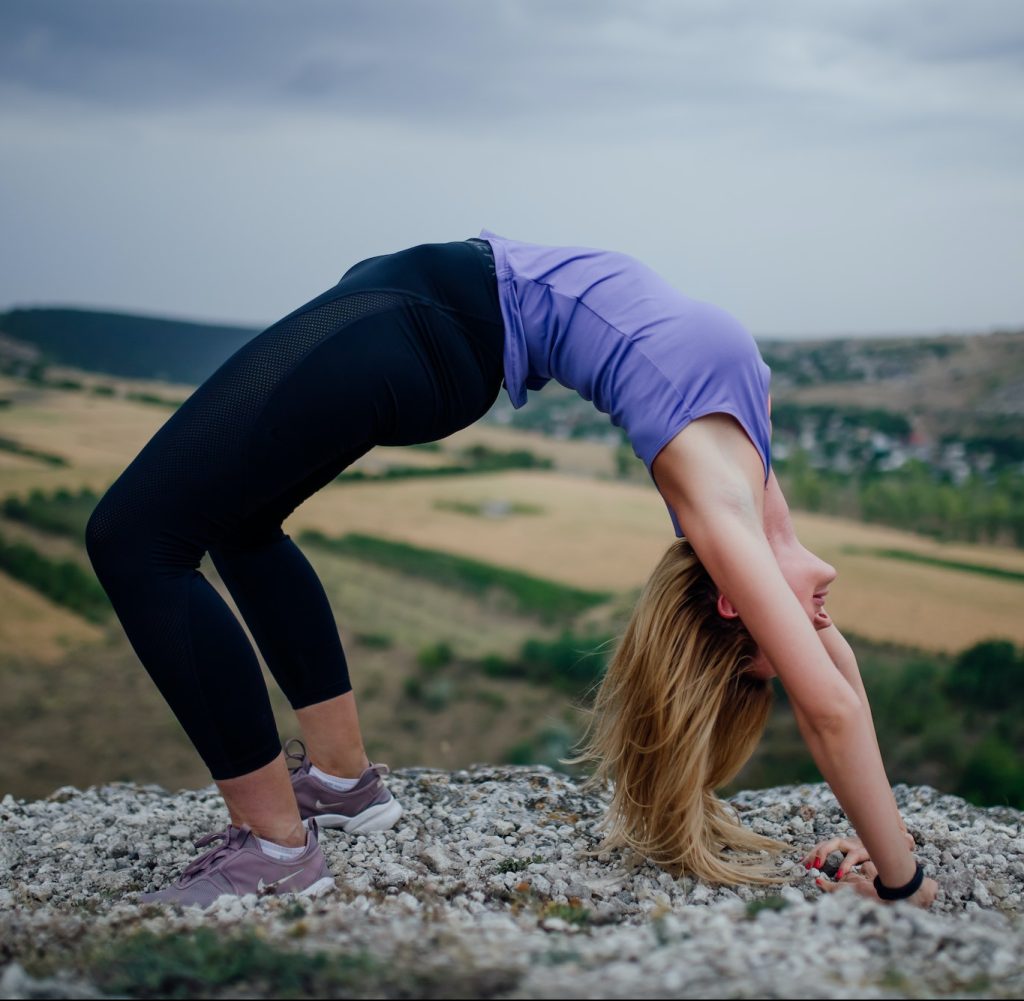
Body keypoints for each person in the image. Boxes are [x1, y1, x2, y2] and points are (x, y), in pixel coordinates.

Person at [85, 230, 937, 909]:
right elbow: (841, 682)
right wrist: (887, 842)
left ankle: (274, 847)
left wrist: (901, 883)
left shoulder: (722, 517)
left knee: (134, 538)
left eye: (785, 638)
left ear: (731, 598)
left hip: (426, 326)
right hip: (430, 314)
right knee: (240, 518)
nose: (820, 625)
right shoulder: (756, 498)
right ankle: (341, 785)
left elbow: (825, 707)